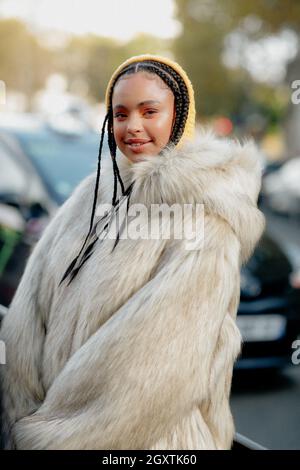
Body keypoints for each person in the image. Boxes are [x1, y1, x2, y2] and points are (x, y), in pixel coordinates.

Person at [0, 54, 265, 450]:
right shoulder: (89, 198)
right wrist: (19, 410)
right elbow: (29, 314)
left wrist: (46, 437)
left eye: (149, 111)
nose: (133, 126)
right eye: (120, 114)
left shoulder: (207, 221)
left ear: (180, 116)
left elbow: (146, 376)